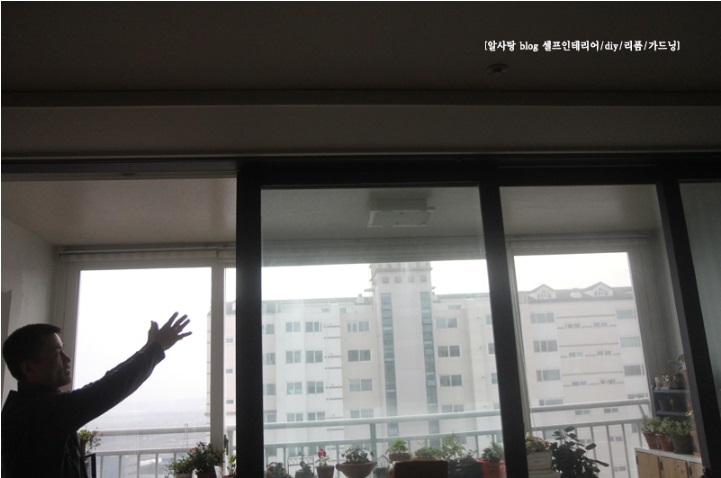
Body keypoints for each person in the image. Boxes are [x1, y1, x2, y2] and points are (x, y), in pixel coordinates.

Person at [1, 312, 191, 478]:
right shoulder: (38, 413)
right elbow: (107, 389)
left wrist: (149, 347)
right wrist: (155, 348)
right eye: (57, 353)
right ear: (29, 368)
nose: (67, 359)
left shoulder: (31, 407)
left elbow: (107, 382)